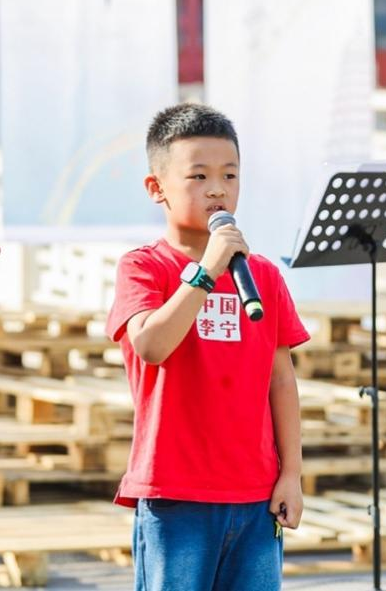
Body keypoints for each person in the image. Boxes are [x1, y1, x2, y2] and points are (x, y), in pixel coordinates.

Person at [105, 103, 309, 591]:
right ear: (156, 188)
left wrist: (292, 475)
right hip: (176, 495)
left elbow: (281, 380)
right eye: (198, 176)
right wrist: (207, 271)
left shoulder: (263, 276)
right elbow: (151, 344)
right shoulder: (144, 267)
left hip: (255, 496)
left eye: (229, 175)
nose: (217, 189)